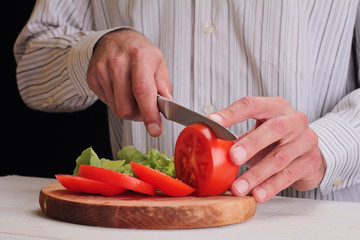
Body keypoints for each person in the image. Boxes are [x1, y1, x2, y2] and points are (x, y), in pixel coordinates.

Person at [14, 0, 360, 202]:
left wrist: (327, 146)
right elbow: (31, 69)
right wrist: (95, 50)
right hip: (144, 227)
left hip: (308, 226)